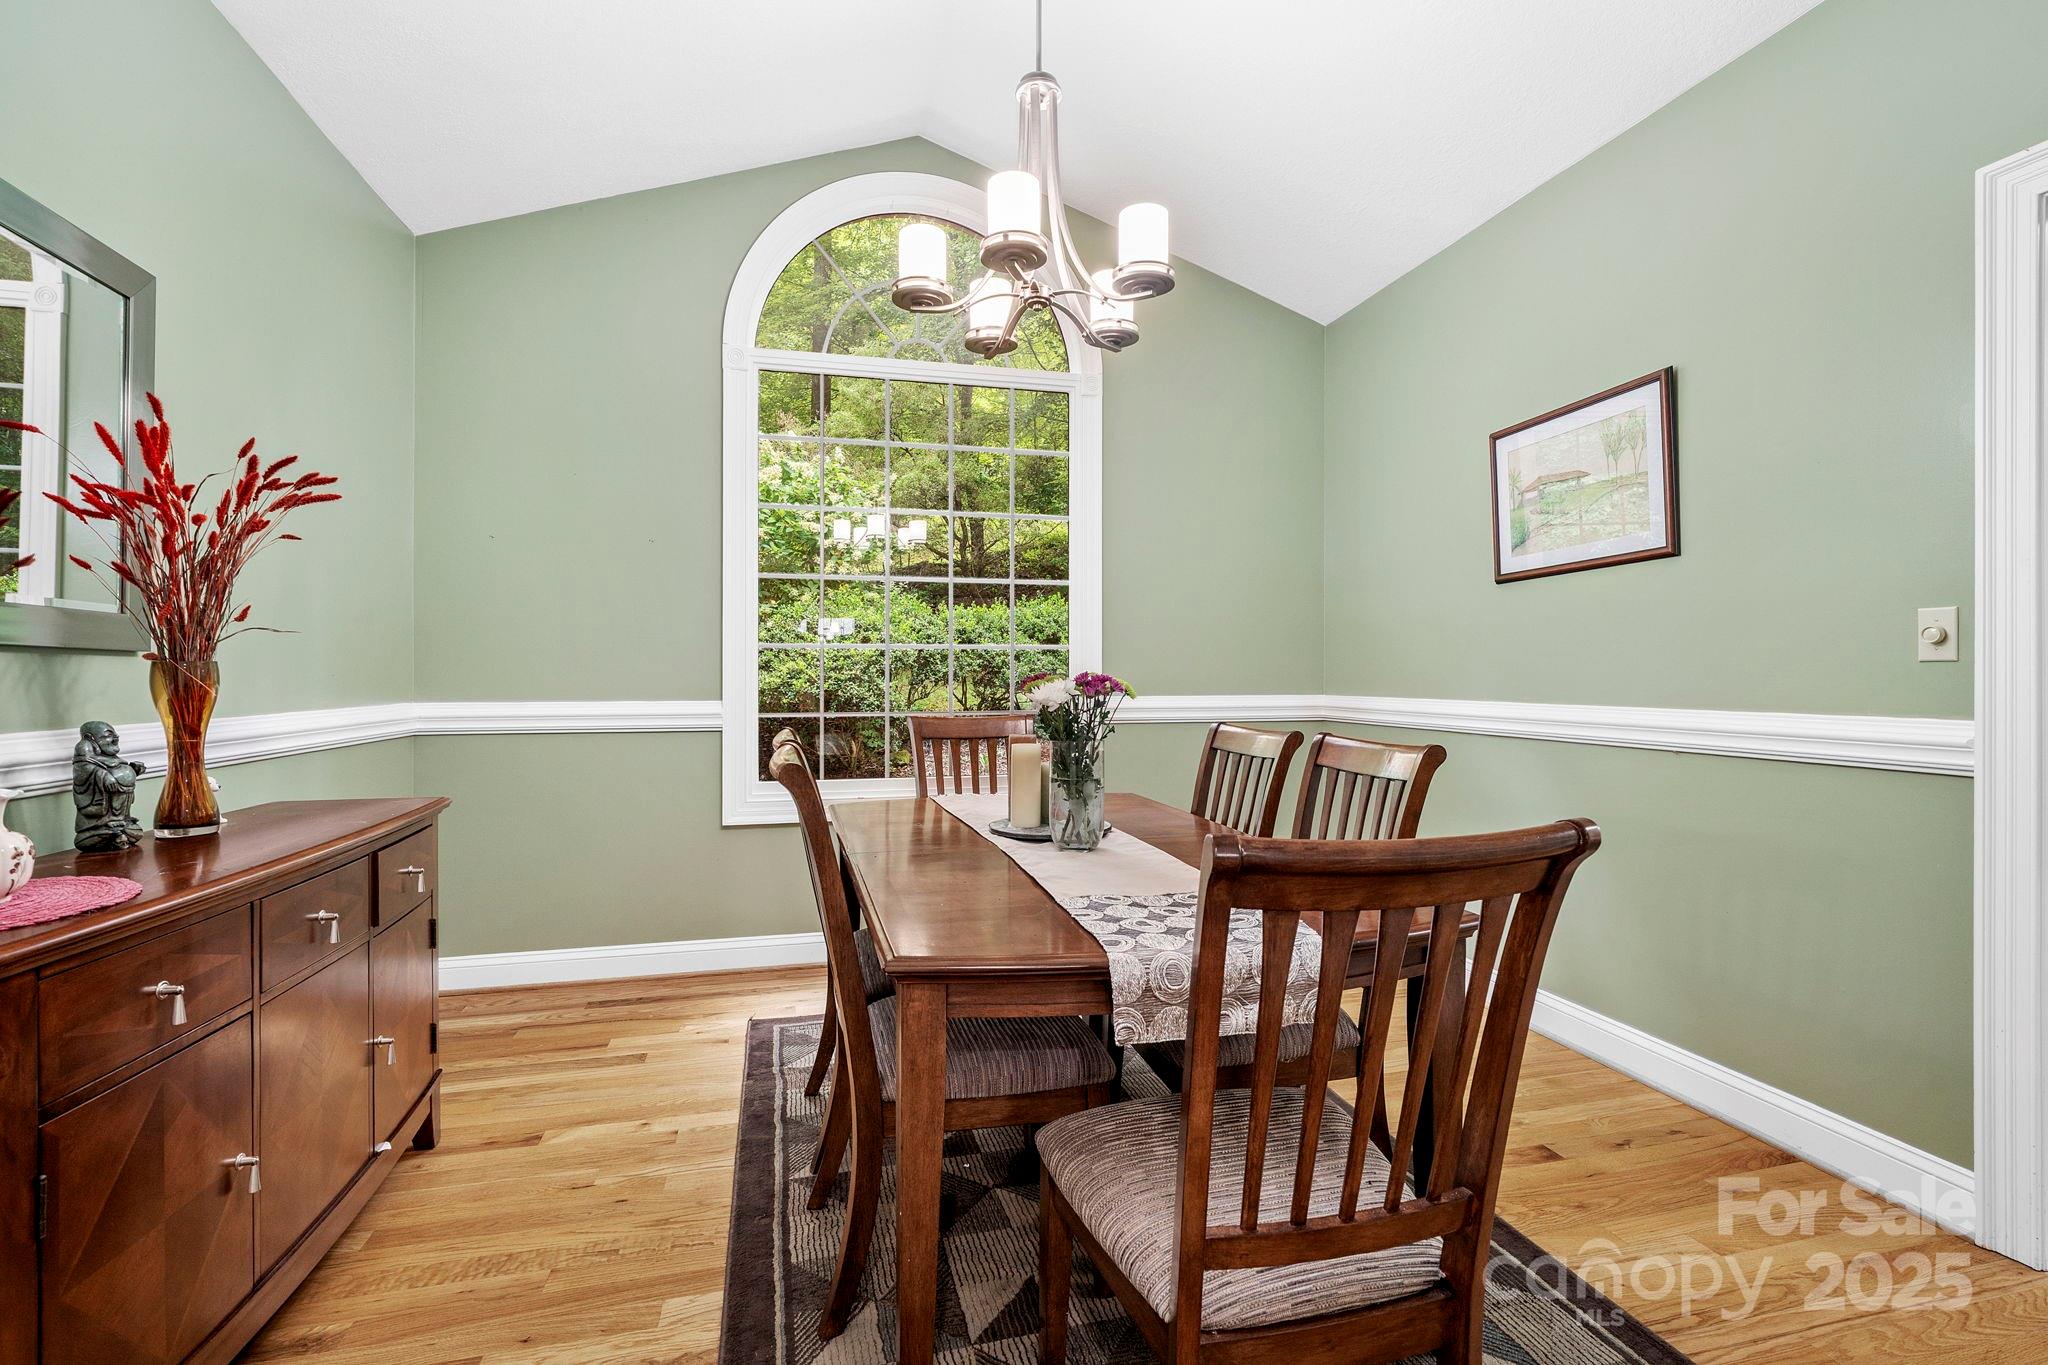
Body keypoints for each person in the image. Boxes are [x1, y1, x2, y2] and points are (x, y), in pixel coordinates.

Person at [73, 721, 146, 852]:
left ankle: (118, 834)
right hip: (99, 822)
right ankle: (112, 833)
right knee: (85, 840)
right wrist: (102, 775)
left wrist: (134, 770)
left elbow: (119, 771)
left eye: (115, 735)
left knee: (137, 832)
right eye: (108, 735)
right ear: (90, 738)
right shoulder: (85, 754)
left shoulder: (110, 757)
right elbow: (84, 769)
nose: (115, 738)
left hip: (121, 819)